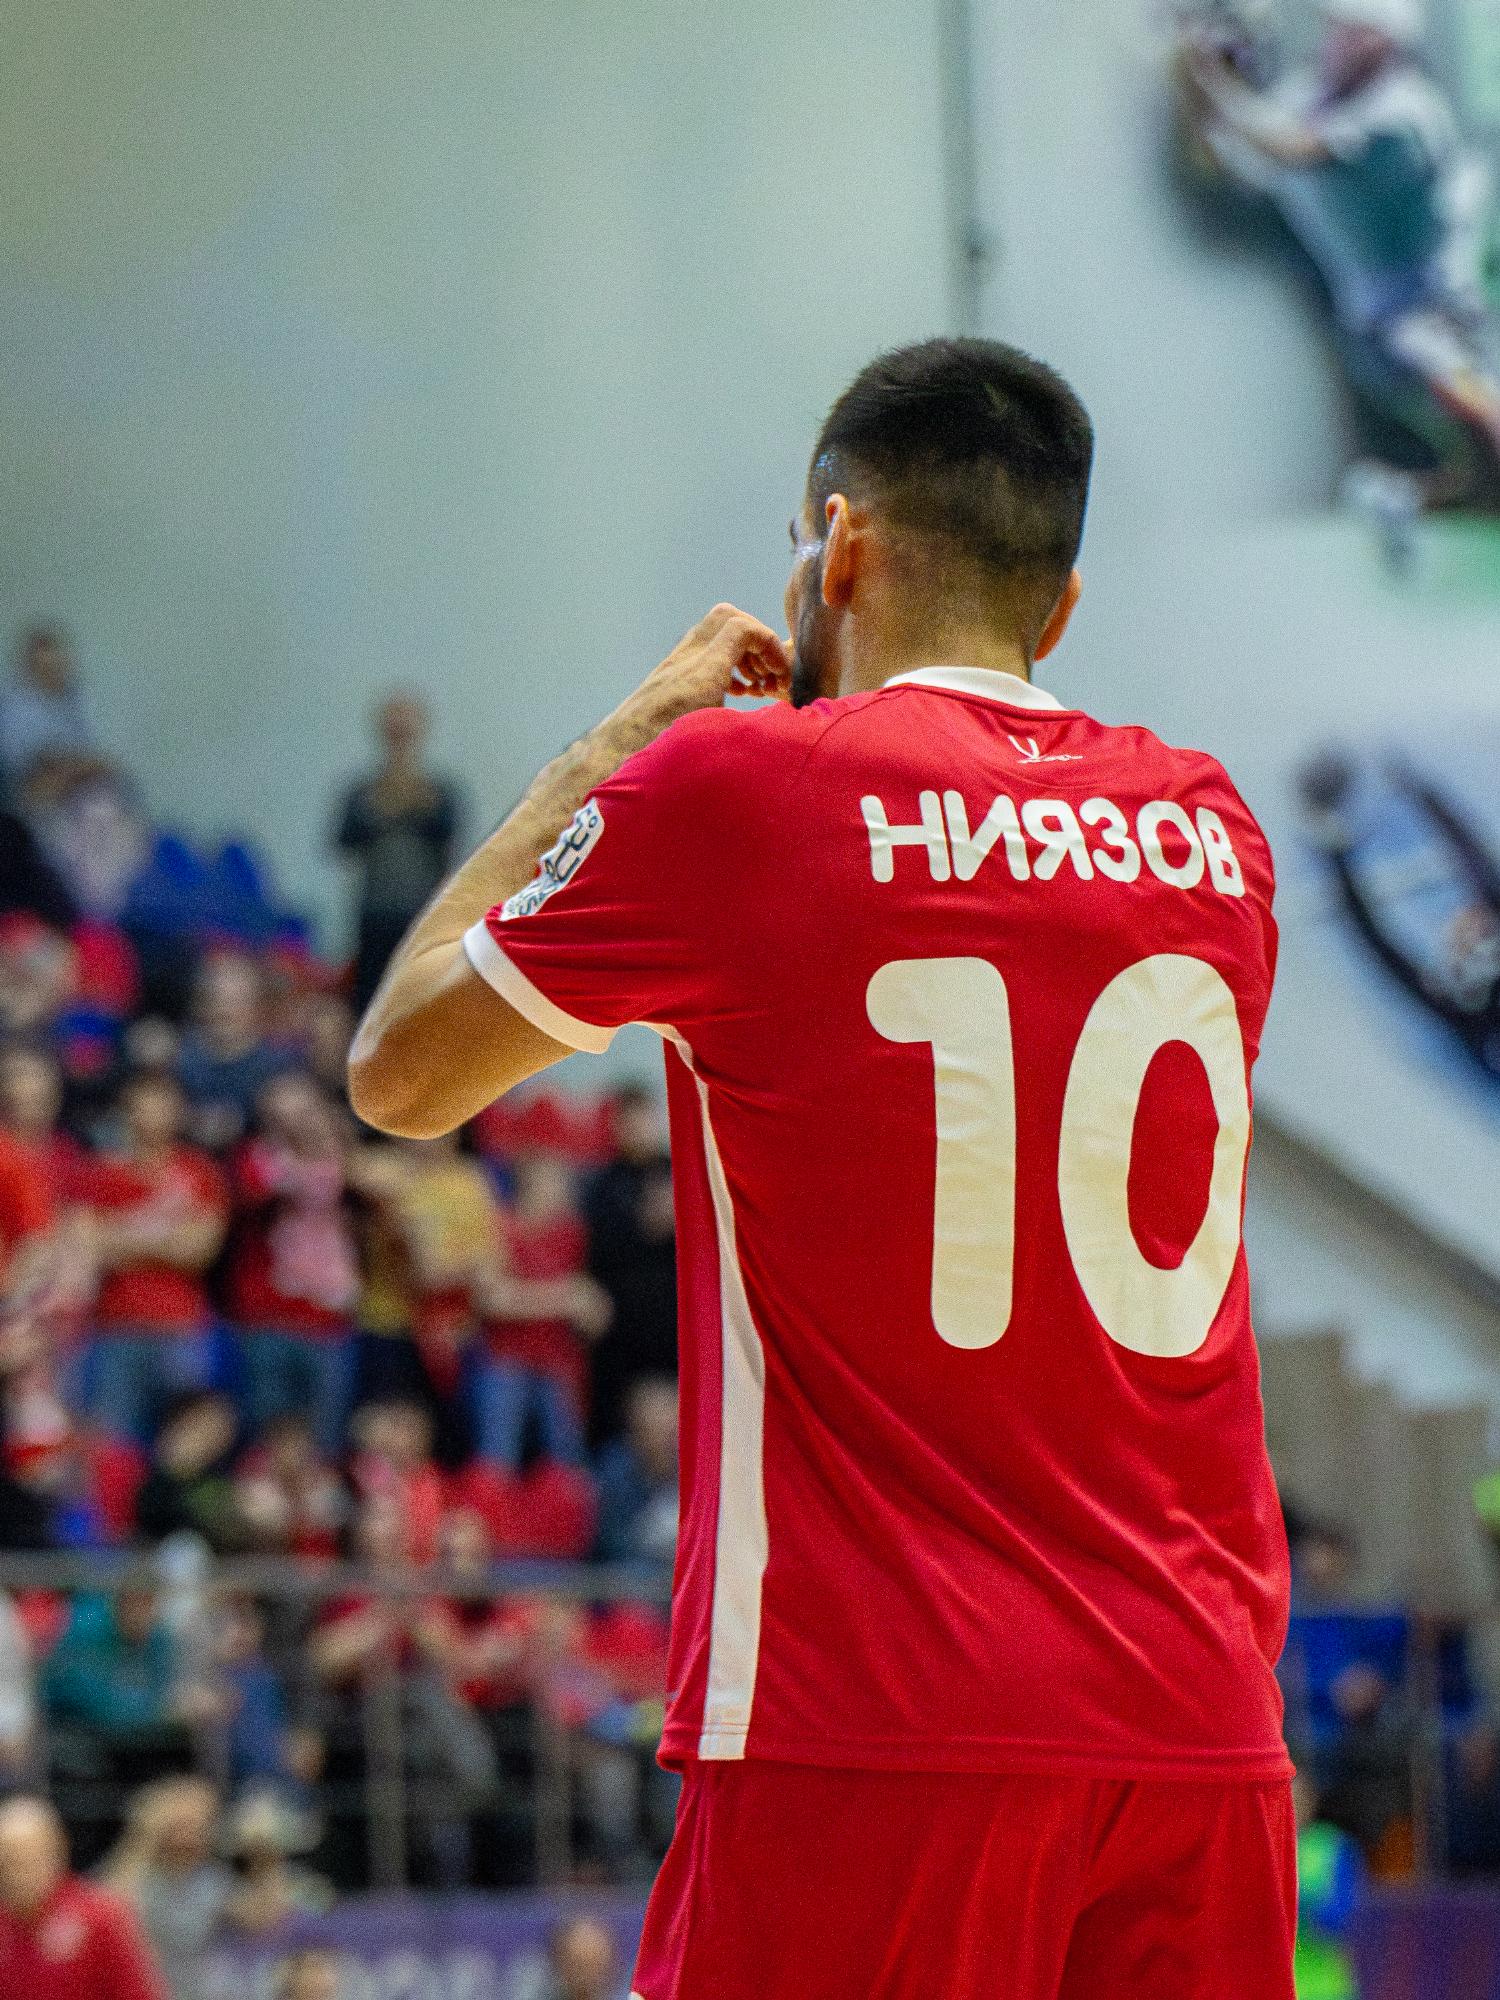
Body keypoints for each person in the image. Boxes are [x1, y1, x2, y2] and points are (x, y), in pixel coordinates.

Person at [350, 340, 1293, 1996]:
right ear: (1059, 606)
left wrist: (619, 740)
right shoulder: (1215, 837)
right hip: (1202, 1727)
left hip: (873, 1718)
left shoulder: (741, 789)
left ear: (835, 549)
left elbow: (399, 1069)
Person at [1177, 0, 1500, 553]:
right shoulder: (1313, 94)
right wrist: (1219, 77)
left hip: (1429, 308)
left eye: (1358, 32)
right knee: (1451, 422)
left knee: (1467, 399)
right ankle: (1454, 489)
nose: (1340, 42)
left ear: (1386, 44)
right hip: (1372, 318)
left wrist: (1208, 80)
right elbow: (1236, 145)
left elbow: (1289, 146)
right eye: (1338, 28)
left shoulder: (1404, 112)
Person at [72, 1070, 228, 1446]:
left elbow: (200, 1251)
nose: (151, 1113)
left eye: (162, 1103)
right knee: (112, 1447)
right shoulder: (100, 1173)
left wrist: (121, 1235)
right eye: (142, 1102)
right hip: (115, 1329)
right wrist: (167, 1237)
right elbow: (88, 1246)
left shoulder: (200, 1172)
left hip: (181, 1329)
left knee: (183, 1447)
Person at [334, 693, 462, 1012]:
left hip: (422, 916)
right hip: (375, 917)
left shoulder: (439, 794)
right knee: (370, 1003)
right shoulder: (362, 794)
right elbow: (343, 843)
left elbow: (451, 846)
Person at [0, 1794, 165, 2000]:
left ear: (58, 1850)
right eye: (9, 1861)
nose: (19, 1874)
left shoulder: (101, 1917)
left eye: (31, 1858)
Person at [101, 1777, 231, 2000]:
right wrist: (144, 1838)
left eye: (199, 1825)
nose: (189, 1836)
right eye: (181, 1824)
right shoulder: (136, 1872)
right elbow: (108, 1916)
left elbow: (260, 1921)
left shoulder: (217, 1880)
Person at [0, 629, 99, 801]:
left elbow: (84, 750)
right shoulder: (14, 705)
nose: (51, 673)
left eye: (55, 665)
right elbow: (27, 761)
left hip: (74, 781)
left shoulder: (72, 699)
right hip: (28, 787)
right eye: (43, 668)